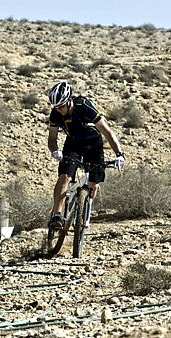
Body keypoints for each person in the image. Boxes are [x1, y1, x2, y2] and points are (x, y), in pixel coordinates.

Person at [46, 80, 126, 229]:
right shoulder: (55, 114)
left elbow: (107, 132)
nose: (59, 110)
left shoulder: (84, 106)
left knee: (93, 185)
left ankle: (83, 212)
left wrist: (119, 154)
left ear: (69, 100)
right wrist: (54, 150)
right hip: (73, 144)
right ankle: (56, 216)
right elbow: (52, 138)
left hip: (93, 144)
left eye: (61, 106)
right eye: (56, 107)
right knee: (64, 176)